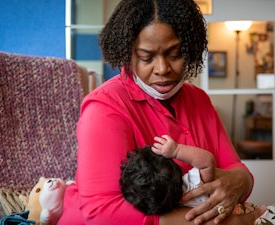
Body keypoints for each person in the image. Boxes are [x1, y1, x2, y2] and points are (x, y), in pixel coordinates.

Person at [58, 0, 255, 224]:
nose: (162, 69)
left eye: (175, 54)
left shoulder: (199, 100)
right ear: (128, 54)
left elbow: (234, 167)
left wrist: (241, 182)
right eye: (146, 57)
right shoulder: (105, 108)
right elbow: (102, 212)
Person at [120, 135, 275, 225]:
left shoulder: (166, 208)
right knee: (268, 218)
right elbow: (207, 161)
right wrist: (176, 150)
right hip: (240, 214)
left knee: (263, 212)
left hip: (236, 211)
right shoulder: (190, 185)